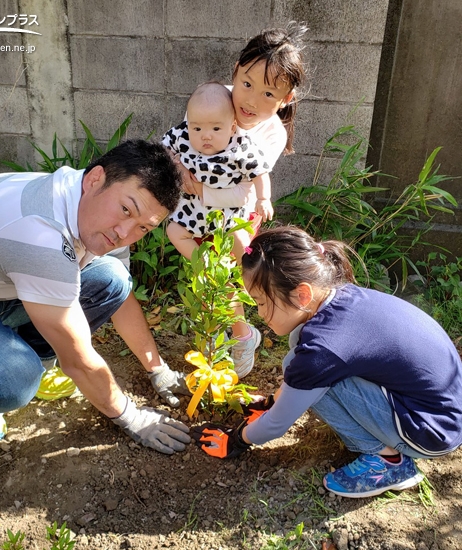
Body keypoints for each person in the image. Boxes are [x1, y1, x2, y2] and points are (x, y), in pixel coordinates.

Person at [0, 139, 191, 455]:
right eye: (126, 209)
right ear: (95, 178)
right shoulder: (40, 234)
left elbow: (122, 298)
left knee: (112, 277)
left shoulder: (92, 206)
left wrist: (158, 369)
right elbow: (78, 360)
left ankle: (39, 359)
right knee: (15, 379)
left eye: (143, 227)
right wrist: (133, 418)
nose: (125, 233)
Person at [193, 225, 462, 498]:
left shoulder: (324, 349)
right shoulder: (340, 298)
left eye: (261, 302)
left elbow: (278, 424)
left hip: (430, 430)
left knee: (315, 378)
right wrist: (271, 402)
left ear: (303, 294)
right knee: (301, 370)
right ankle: (387, 444)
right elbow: (299, 367)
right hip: (440, 408)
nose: (259, 313)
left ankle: (389, 463)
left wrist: (237, 439)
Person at [175, 24, 308, 378]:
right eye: (247, 84)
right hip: (197, 212)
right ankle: (214, 334)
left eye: (269, 94)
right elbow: (181, 141)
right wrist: (175, 166)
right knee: (205, 275)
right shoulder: (214, 101)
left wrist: (200, 190)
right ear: (235, 71)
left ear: (286, 99)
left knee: (231, 275)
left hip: (236, 213)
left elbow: (246, 191)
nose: (250, 100)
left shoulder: (271, 133)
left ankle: (241, 335)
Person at [163, 81, 272, 261]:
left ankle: (245, 273)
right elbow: (162, 148)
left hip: (227, 214)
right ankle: (204, 265)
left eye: (216, 128)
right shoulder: (182, 135)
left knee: (240, 243)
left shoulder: (240, 146)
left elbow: (260, 171)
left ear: (231, 127)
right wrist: (175, 164)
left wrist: (263, 198)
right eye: (197, 128)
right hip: (192, 210)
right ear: (188, 123)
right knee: (174, 232)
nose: (206, 135)